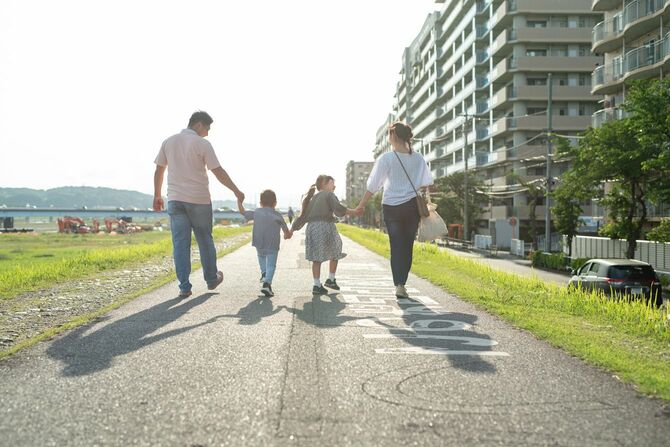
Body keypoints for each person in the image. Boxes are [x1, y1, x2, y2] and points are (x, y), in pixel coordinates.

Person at [153, 111, 245, 298]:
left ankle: (184, 287)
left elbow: (159, 170)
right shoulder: (202, 144)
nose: (208, 133)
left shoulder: (168, 141)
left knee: (180, 244)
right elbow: (217, 171)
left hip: (175, 200)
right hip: (199, 201)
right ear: (200, 125)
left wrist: (157, 195)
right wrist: (236, 191)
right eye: (208, 128)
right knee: (204, 240)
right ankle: (211, 279)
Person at [354, 121, 433, 299]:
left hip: (391, 207)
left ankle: (399, 284)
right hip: (412, 207)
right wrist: (429, 204)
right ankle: (402, 283)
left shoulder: (386, 158)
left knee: (396, 245)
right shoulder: (419, 158)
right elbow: (427, 183)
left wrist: (361, 204)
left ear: (394, 136)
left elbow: (374, 185)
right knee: (407, 246)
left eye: (389, 134)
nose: (388, 138)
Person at [292, 175, 358, 295]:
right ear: (324, 184)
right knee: (336, 248)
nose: (334, 186)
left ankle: (316, 285)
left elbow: (302, 216)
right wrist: (354, 211)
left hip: (312, 228)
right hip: (325, 226)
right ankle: (331, 279)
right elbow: (338, 208)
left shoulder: (311, 198)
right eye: (332, 183)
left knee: (316, 257)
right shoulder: (329, 195)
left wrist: (292, 230)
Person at [237, 189, 292, 297]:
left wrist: (239, 200)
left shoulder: (256, 212)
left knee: (261, 257)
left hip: (259, 243)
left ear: (260, 203)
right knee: (271, 265)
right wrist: (287, 235)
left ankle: (263, 273)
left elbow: (243, 212)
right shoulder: (277, 215)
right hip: (272, 244)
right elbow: (286, 231)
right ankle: (267, 284)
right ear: (275, 203)